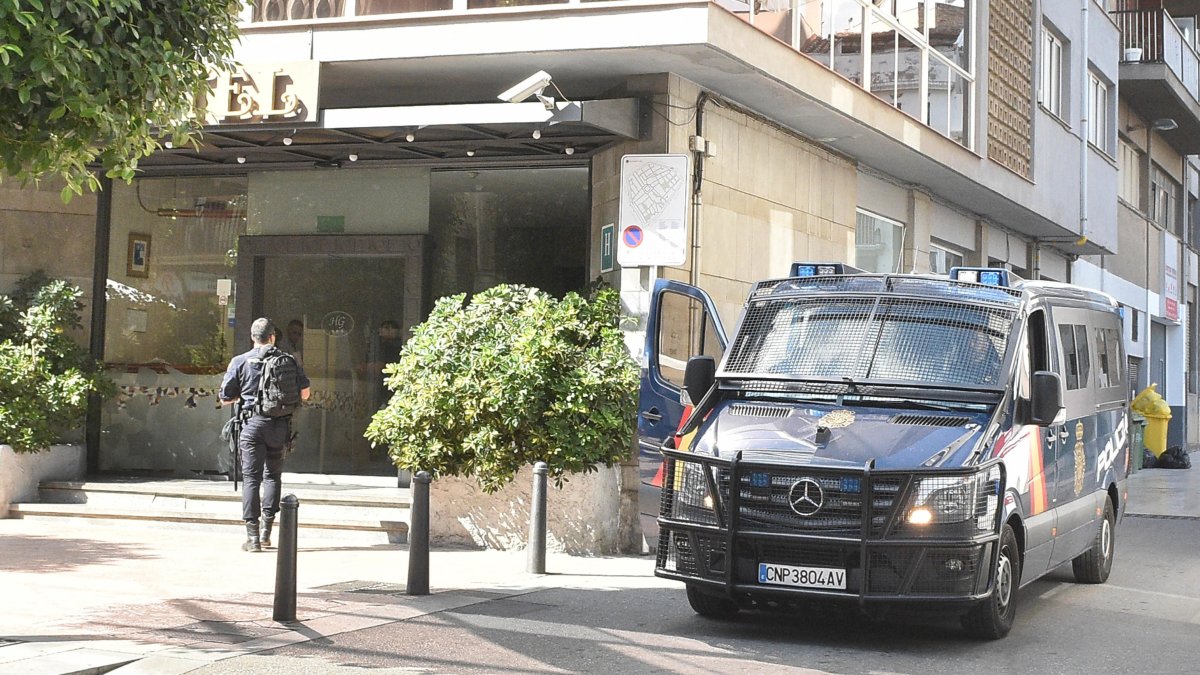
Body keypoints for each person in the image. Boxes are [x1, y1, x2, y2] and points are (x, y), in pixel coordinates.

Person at [220, 318, 311, 552]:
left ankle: (252, 539)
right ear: (272, 337)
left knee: (252, 478)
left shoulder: (239, 361)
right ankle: (266, 533)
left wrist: (244, 397)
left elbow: (225, 397)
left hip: (251, 425)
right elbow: (305, 394)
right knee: (273, 477)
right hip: (279, 426)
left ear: (252, 337)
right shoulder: (288, 360)